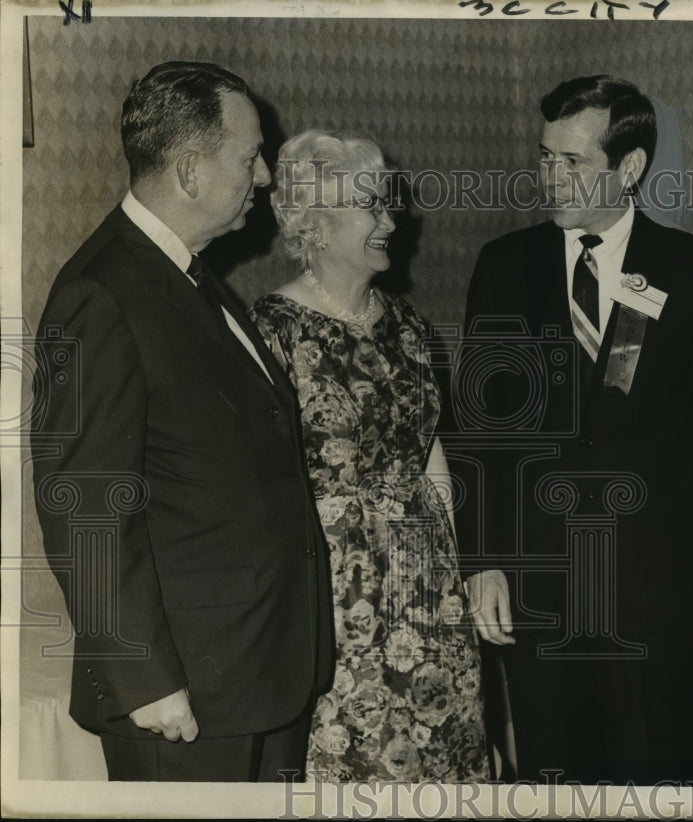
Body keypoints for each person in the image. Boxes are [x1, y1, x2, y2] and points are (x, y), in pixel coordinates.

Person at [30, 62, 333, 781]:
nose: (262, 176)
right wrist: (146, 681)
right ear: (192, 171)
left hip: (259, 671)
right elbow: (83, 503)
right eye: (249, 156)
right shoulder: (101, 292)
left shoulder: (192, 276)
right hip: (185, 696)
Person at [457, 75, 693, 784]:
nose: (551, 178)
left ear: (629, 169)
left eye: (573, 163)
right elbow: (477, 432)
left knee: (654, 782)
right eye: (544, 158)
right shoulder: (504, 266)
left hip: (657, 596)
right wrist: (484, 560)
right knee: (553, 784)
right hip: (539, 592)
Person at [250, 129, 488, 782]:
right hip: (335, 594)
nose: (392, 221)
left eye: (389, 205)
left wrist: (455, 575)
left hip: (428, 589)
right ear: (316, 223)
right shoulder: (272, 330)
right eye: (372, 207)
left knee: (442, 758)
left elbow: (429, 447)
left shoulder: (408, 326)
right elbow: (259, 481)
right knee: (356, 762)